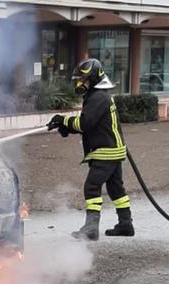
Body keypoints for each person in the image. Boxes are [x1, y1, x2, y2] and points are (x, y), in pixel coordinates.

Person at [47, 58, 134, 240]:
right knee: (116, 189)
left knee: (92, 186)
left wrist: (63, 120)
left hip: (106, 151)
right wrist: (67, 127)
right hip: (113, 150)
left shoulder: (98, 97)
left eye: (82, 80)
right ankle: (126, 224)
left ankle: (91, 228)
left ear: (93, 79)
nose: (79, 83)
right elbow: (90, 124)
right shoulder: (98, 96)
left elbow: (85, 123)